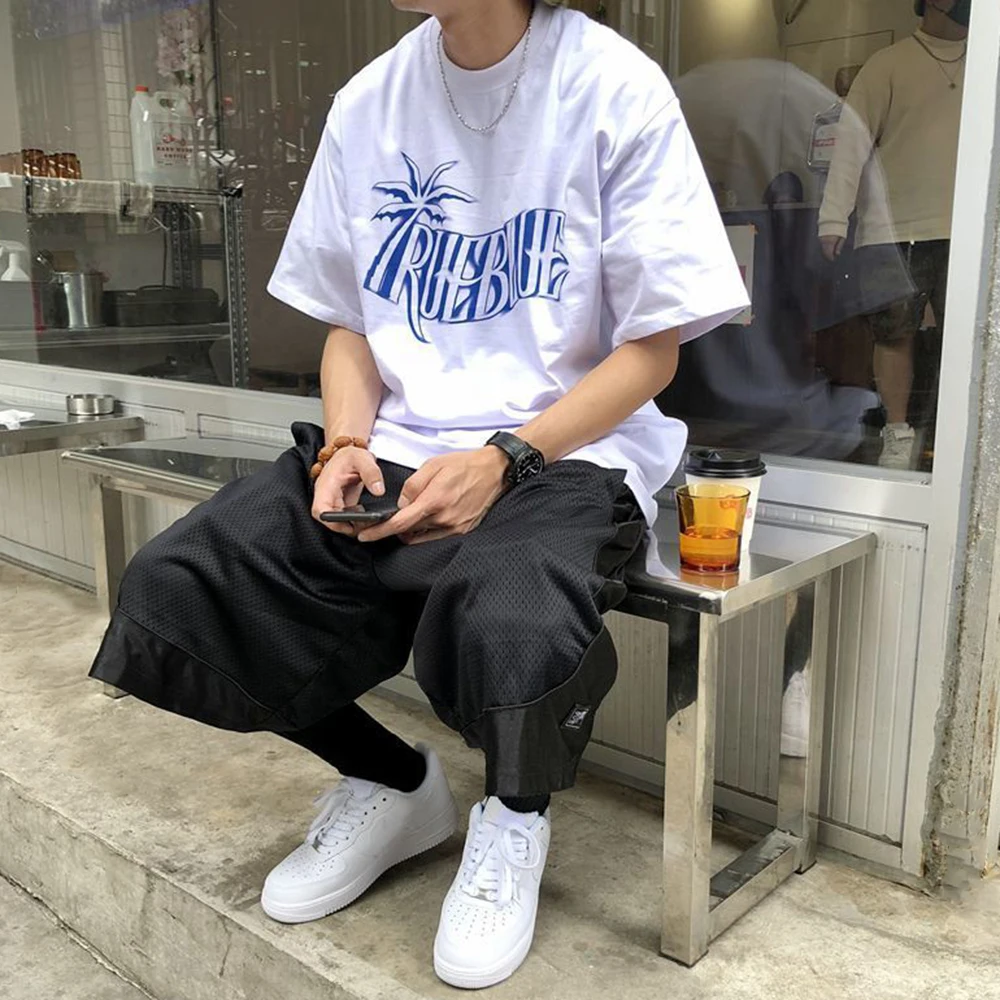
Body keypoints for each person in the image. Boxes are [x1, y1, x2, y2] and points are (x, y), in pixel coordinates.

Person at [88, 0, 747, 988]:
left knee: (512, 612)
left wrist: (507, 457)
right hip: (396, 440)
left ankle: (513, 817)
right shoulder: (372, 100)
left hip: (565, 450)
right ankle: (394, 783)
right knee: (184, 581)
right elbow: (352, 322)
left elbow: (653, 351)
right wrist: (345, 442)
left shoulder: (613, 88)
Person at [819, 0, 971, 469]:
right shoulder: (888, 64)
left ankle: (964, 436)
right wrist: (833, 217)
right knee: (893, 333)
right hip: (894, 227)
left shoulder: (988, 63)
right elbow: (851, 143)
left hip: (969, 229)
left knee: (969, 337)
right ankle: (899, 433)